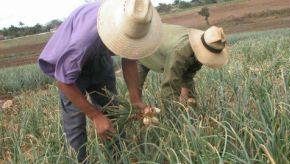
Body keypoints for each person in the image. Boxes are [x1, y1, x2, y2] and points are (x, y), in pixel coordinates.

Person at [38, 0, 162, 162]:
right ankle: (78, 159)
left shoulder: (133, 18)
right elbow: (64, 81)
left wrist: (135, 98)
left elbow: (130, 58)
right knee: (75, 125)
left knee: (112, 112)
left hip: (98, 56)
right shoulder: (83, 41)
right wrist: (96, 116)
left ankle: (117, 159)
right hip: (69, 65)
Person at [137, 24, 229, 106]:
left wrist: (189, 98)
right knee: (134, 92)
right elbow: (169, 84)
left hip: (161, 42)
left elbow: (188, 75)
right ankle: (132, 116)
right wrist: (175, 110)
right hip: (141, 47)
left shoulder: (201, 47)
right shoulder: (180, 51)